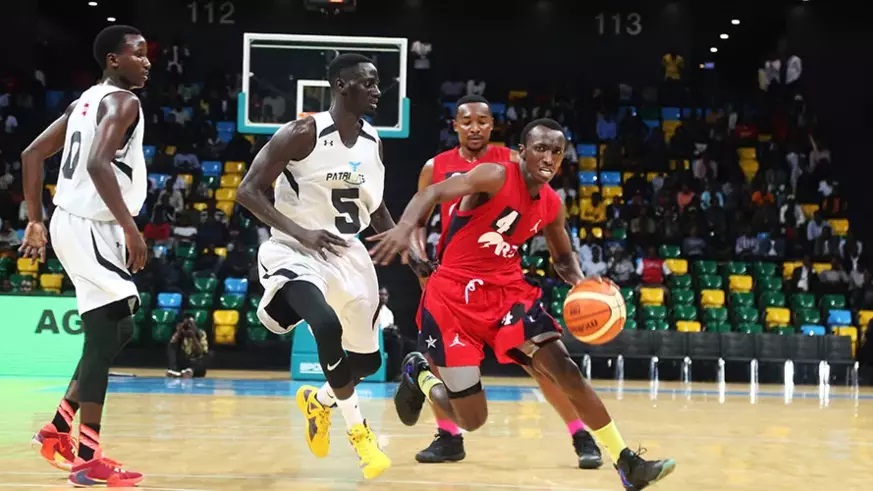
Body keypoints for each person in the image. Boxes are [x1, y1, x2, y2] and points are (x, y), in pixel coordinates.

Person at [369, 118, 676, 490]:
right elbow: (432, 193)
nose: (548, 157)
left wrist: (583, 284)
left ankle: (626, 462)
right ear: (522, 152)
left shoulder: (552, 204)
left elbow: (563, 259)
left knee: (566, 371)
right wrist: (404, 228)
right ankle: (419, 372)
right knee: (472, 419)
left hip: (508, 294)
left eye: (556, 151)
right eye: (541, 148)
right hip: (453, 298)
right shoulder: (494, 175)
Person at [235, 53, 421, 480]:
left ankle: (318, 402)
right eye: (368, 83)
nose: (377, 91)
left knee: (367, 363)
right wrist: (301, 233)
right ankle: (361, 437)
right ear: (341, 85)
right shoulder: (302, 133)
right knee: (324, 323)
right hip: (294, 249)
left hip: (348, 253)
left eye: (377, 83)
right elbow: (247, 191)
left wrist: (410, 255)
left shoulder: (373, 141)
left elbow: (376, 210)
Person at [412, 95, 601, 468]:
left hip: (500, 281)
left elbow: (539, 208)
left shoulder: (511, 162)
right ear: (455, 125)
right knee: (440, 361)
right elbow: (419, 220)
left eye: (483, 121)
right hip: (450, 275)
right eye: (467, 121)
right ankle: (449, 437)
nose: (475, 128)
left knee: (540, 363)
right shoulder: (435, 167)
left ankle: (580, 433)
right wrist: (420, 260)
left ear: (492, 125)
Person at [20, 25, 150, 487]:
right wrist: (132, 229)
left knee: (119, 327)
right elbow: (97, 163)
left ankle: (57, 429)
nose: (147, 62)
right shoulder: (124, 101)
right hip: (90, 226)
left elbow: (32, 154)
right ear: (114, 60)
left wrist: (35, 220)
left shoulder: (83, 102)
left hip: (76, 224)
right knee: (105, 332)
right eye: (138, 54)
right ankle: (88, 457)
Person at [167, 314, 210, 378]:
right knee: (171, 346)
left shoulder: (201, 333)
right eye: (187, 324)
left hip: (196, 362)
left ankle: (190, 372)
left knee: (205, 359)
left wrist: (194, 338)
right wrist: (178, 332)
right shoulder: (180, 333)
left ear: (195, 324)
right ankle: (174, 370)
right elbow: (172, 346)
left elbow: (201, 352)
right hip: (184, 361)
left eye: (191, 324)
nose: (189, 326)